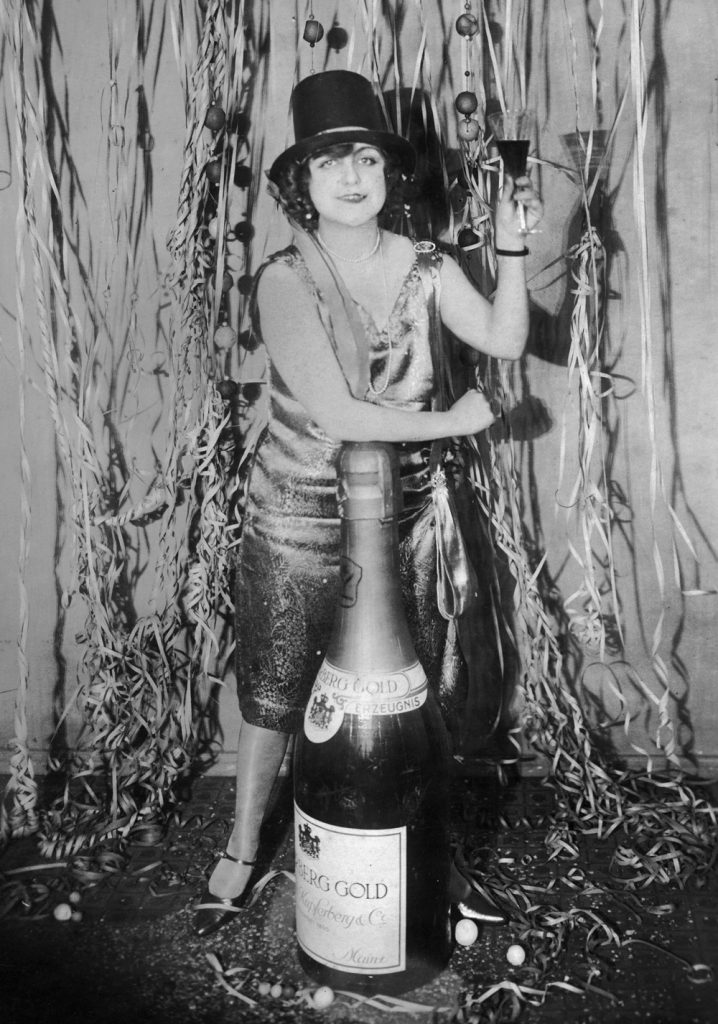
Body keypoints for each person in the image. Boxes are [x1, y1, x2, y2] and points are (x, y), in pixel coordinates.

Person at [194, 69, 542, 937]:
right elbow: (339, 414)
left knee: (416, 701)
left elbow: (502, 337)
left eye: (365, 161)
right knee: (276, 696)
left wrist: (507, 250)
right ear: (301, 185)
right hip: (299, 519)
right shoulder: (283, 278)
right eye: (327, 164)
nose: (350, 178)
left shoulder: (425, 266)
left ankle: (434, 860)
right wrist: (457, 418)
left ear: (390, 175)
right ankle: (243, 845)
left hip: (402, 522)